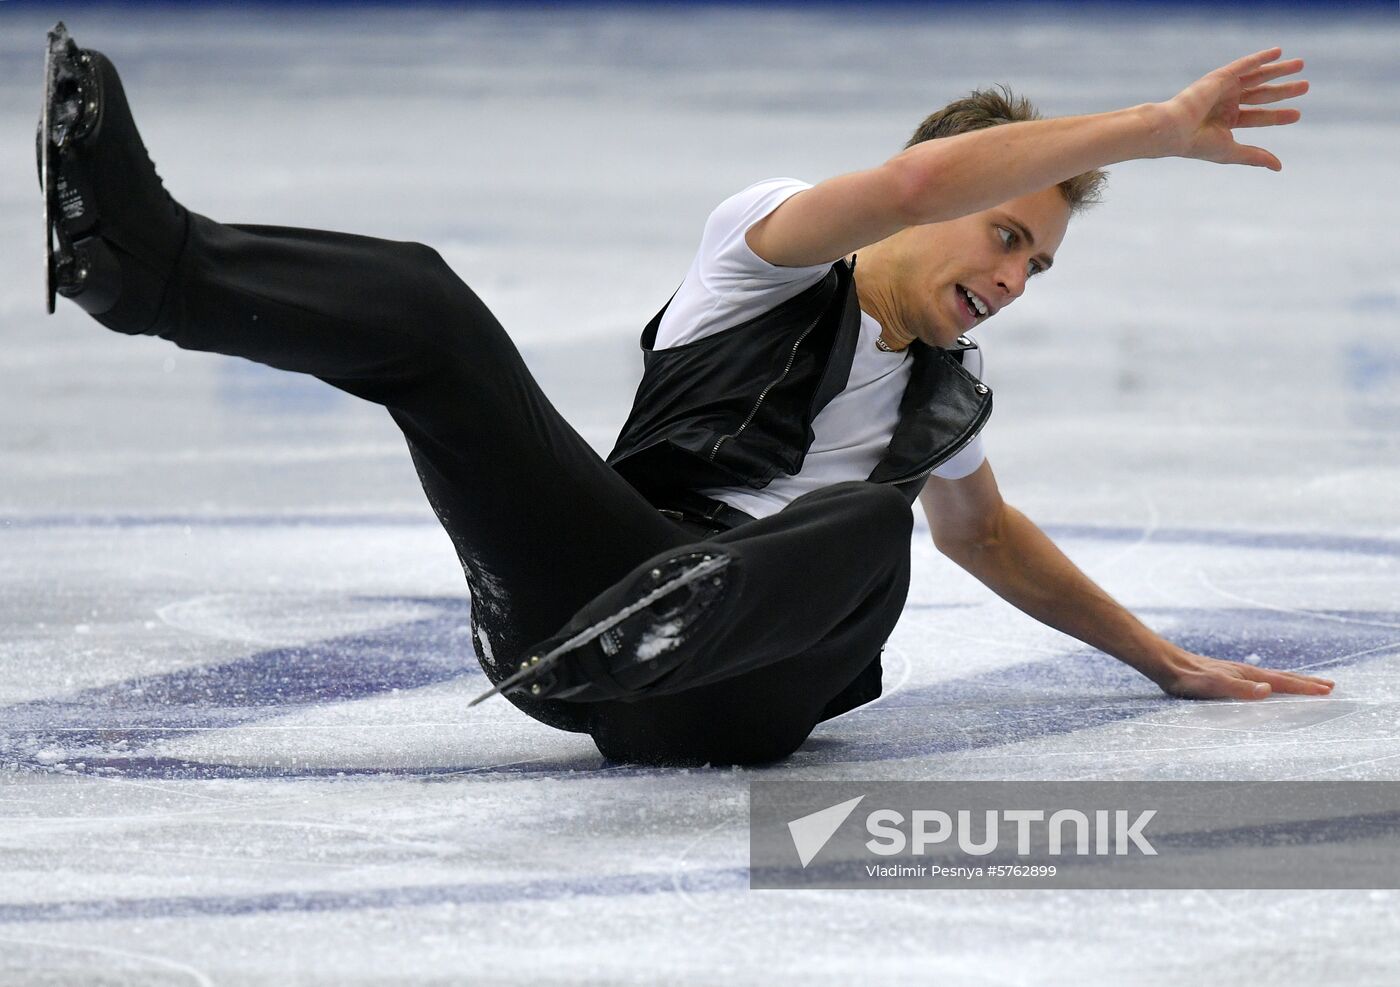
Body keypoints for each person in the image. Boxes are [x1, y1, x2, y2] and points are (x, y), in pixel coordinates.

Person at [40, 24, 1333, 768]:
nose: (1015, 276)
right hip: (592, 606)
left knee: (866, 523)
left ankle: (685, 620)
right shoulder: (762, 252)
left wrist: (1163, 663)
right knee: (426, 310)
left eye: (1038, 266)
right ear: (939, 190)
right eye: (1003, 236)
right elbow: (892, 195)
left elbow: (985, 537)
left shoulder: (951, 399)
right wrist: (1148, 127)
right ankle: (142, 260)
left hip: (746, 686)